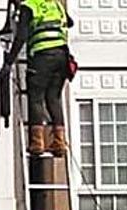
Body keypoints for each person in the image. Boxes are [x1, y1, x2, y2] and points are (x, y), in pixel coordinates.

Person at [8, 0, 76, 156]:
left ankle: (37, 143)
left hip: (42, 57)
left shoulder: (29, 6)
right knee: (53, 98)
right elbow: (69, 22)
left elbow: (21, 36)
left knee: (36, 98)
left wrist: (9, 61)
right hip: (62, 57)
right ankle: (59, 143)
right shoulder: (56, 4)